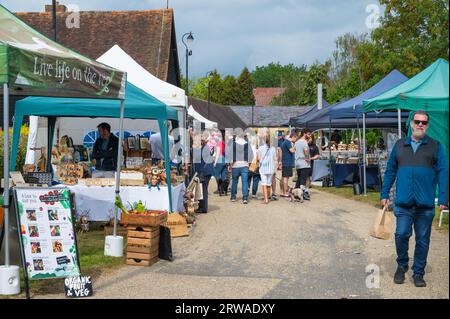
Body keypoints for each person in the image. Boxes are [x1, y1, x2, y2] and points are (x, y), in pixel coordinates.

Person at [381, 110, 448, 287]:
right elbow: (390, 171)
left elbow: (443, 172)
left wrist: (443, 197)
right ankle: (402, 265)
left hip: (425, 205)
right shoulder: (400, 145)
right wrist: (384, 194)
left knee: (423, 240)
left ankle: (418, 272)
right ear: (411, 123)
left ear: (427, 125)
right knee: (401, 234)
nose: (420, 125)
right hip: (403, 203)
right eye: (417, 121)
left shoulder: (436, 146)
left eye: (424, 122)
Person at [226, 131, 253, 204]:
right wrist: (249, 163)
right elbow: (251, 155)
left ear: (237, 136)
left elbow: (230, 155)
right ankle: (245, 198)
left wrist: (229, 164)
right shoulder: (247, 144)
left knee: (234, 182)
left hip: (235, 165)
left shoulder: (233, 144)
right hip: (244, 165)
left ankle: (233, 197)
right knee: (245, 182)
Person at [193, 134, 214, 213]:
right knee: (202, 190)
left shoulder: (203, 148)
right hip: (205, 171)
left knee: (203, 190)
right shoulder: (204, 148)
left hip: (204, 172)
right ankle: (202, 207)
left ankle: (203, 208)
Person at [258, 133, 278, 204]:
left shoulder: (260, 148)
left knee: (264, 184)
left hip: (263, 168)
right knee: (269, 184)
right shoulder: (273, 148)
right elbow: (275, 158)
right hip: (271, 168)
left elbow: (259, 158)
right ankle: (268, 197)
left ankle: (266, 199)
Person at [280, 130, 298, 197]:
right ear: (293, 137)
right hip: (287, 162)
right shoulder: (288, 142)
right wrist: (296, 146)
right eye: (296, 139)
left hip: (285, 162)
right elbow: (292, 150)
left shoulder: (285, 142)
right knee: (286, 178)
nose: (296, 140)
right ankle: (285, 192)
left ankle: (282, 191)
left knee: (283, 177)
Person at [294, 129, 311, 200]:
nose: (310, 136)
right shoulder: (304, 142)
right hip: (304, 163)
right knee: (303, 180)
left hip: (298, 163)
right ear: (304, 134)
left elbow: (294, 150)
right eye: (308, 134)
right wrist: (308, 158)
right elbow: (306, 151)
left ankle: (295, 194)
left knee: (299, 179)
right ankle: (302, 195)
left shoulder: (297, 142)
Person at [213, 130, 228, 196]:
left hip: (219, 160)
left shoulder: (218, 143)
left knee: (217, 176)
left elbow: (218, 153)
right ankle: (225, 190)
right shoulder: (223, 143)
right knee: (224, 176)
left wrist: (215, 162)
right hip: (224, 160)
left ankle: (220, 190)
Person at [247, 134, 261, 200]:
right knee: (256, 179)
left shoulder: (248, 147)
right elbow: (259, 158)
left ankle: (246, 192)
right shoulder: (258, 148)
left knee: (248, 179)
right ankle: (254, 194)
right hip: (255, 164)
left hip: (249, 163)